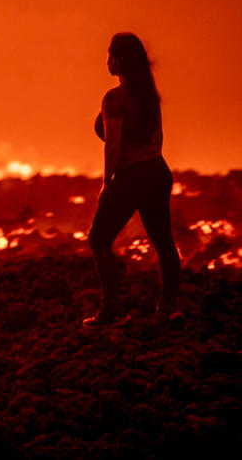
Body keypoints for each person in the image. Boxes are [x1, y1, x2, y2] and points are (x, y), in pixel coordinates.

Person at [82, 32, 182, 329]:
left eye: (110, 55)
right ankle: (169, 307)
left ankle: (111, 310)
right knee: (163, 242)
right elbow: (158, 140)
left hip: (132, 175)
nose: (107, 61)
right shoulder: (149, 95)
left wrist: (107, 181)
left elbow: (112, 145)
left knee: (98, 240)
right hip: (157, 170)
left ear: (119, 60)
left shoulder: (114, 99)